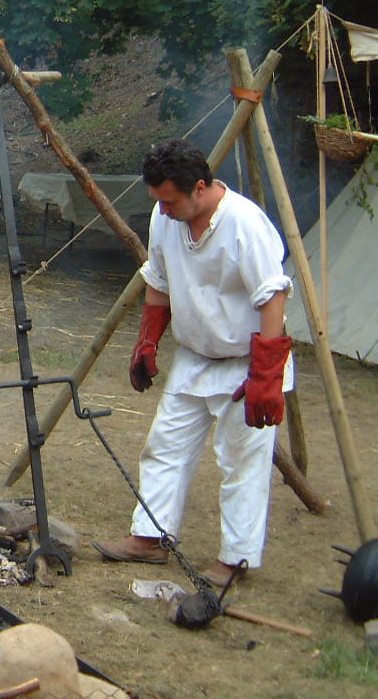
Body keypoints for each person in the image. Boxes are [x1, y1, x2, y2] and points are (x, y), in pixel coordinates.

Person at [93, 138, 293, 588]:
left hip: (246, 362)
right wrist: (148, 341)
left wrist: (265, 375)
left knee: (242, 464)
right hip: (194, 356)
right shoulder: (165, 218)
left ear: (200, 187)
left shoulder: (245, 224)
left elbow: (272, 297)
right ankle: (150, 537)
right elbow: (159, 280)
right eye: (158, 201)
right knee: (164, 447)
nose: (162, 211)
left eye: (170, 201)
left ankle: (235, 559)